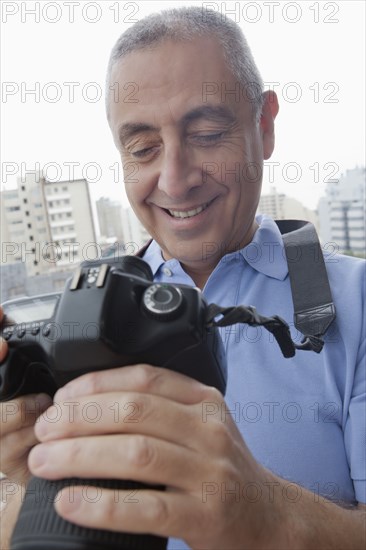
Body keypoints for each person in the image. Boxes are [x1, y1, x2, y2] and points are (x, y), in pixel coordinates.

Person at [1, 7, 365, 549]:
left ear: (265, 127)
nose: (174, 181)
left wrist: (270, 519)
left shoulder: (354, 302)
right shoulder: (79, 320)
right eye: (143, 148)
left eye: (209, 133)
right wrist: (32, 478)